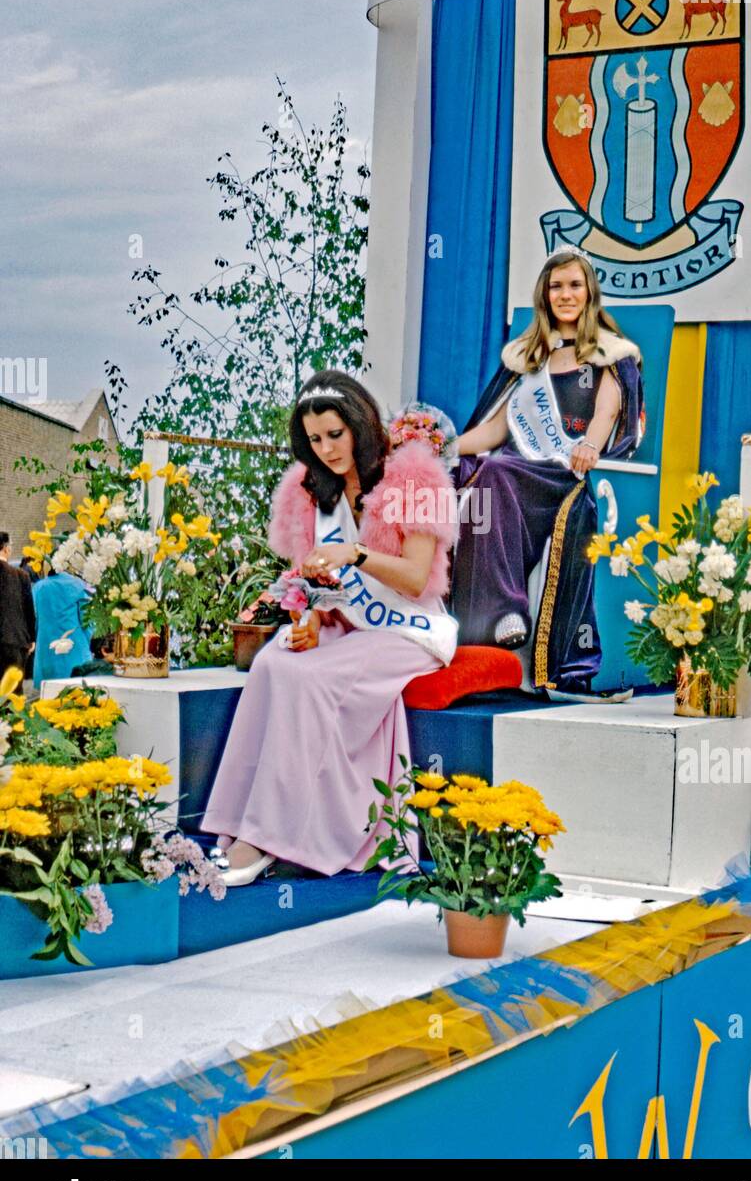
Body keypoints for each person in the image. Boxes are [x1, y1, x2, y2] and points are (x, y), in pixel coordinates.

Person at [201, 370, 458, 886]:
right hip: (349, 623)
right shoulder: (307, 491)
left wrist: (357, 553)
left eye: (335, 435)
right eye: (314, 440)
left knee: (309, 679)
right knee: (276, 661)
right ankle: (233, 823)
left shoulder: (414, 477)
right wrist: (311, 622)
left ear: (360, 425)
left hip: (408, 630)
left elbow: (413, 580)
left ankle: (268, 837)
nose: (326, 449)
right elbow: (315, 581)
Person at [451, 247, 644, 701]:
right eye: (556, 286)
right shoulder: (526, 360)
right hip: (515, 475)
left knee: (495, 474)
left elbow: (606, 413)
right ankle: (491, 629)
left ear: (590, 292)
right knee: (481, 477)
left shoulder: (611, 354)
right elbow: (496, 430)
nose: (566, 294)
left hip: (564, 476)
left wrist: (590, 446)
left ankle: (505, 613)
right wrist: (437, 445)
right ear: (544, 294)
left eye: (575, 285)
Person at [32, 569, 93, 690]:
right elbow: (87, 619)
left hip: (46, 650)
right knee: (77, 695)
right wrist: (87, 642)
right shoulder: (77, 584)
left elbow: (35, 618)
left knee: (49, 698)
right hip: (75, 650)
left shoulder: (38, 587)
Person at [0, 531, 36, 679]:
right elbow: (29, 611)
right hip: (14, 641)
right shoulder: (21, 576)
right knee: (12, 697)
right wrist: (31, 639)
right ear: (6, 549)